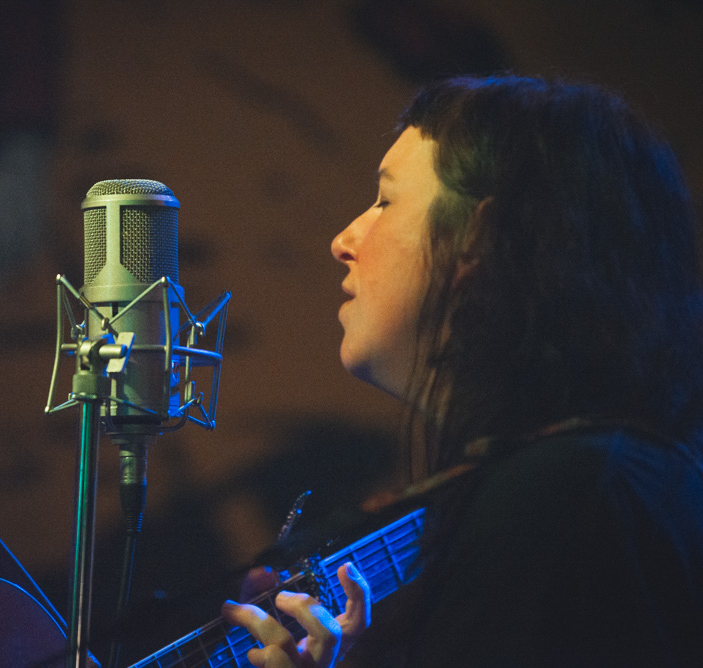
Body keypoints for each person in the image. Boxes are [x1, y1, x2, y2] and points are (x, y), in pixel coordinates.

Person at [222, 75, 703, 666]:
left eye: (385, 201)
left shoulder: (562, 495)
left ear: (479, 235)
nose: (343, 240)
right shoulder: (606, 475)